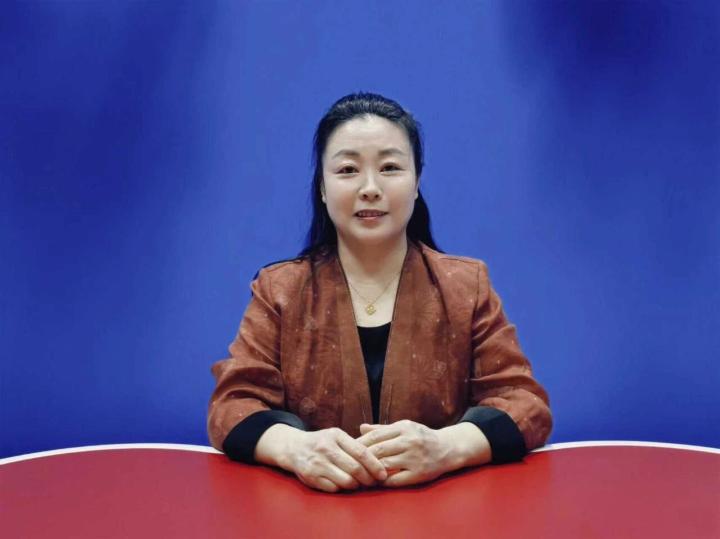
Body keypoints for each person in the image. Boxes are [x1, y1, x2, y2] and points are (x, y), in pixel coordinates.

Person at [207, 92, 552, 493]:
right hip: (314, 513)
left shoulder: (466, 286)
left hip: (440, 512)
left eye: (389, 167)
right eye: (348, 169)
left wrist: (447, 448)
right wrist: (295, 448)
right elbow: (231, 405)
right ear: (322, 187)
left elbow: (525, 404)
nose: (370, 188)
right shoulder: (279, 290)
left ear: (417, 182)